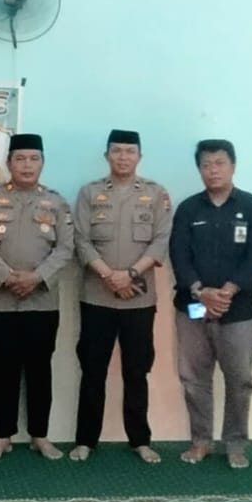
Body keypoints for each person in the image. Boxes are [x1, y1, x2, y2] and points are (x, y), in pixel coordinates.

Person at [71, 130, 172, 463]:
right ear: (107, 156)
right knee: (92, 371)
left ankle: (140, 440)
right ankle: (85, 440)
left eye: (130, 151)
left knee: (136, 371)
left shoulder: (156, 194)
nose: (123, 157)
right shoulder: (89, 192)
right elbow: (81, 240)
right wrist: (109, 276)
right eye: (117, 151)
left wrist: (128, 274)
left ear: (139, 156)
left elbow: (160, 241)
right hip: (96, 297)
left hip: (139, 298)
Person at [0, 133, 74, 461]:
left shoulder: (56, 202)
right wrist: (6, 275)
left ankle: (40, 436)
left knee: (40, 370)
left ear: (42, 163)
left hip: (42, 301)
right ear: (8, 162)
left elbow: (66, 248)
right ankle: (2, 437)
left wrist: (36, 277)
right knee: (2, 370)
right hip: (0, 301)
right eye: (20, 159)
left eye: (33, 159)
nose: (27, 165)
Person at [170, 139, 252, 468]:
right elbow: (179, 255)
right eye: (206, 165)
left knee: (240, 380)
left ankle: (235, 443)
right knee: (193, 378)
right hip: (193, 307)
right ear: (199, 169)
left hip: (238, 311)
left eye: (219, 163)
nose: (213, 170)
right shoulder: (189, 209)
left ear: (233, 166)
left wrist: (226, 292)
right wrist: (201, 292)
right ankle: (201, 441)